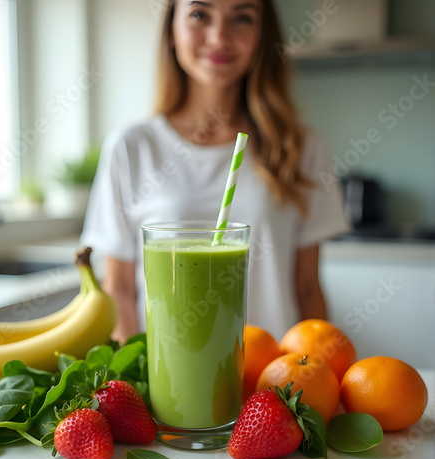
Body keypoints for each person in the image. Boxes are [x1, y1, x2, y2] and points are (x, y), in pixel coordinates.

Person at [80, 0, 350, 345]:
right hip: (170, 385)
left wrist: (314, 374)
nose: (220, 36)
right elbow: (118, 288)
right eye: (199, 14)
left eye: (242, 18)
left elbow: (308, 287)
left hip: (271, 381)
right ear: (171, 32)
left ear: (262, 36)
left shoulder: (300, 147)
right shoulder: (131, 147)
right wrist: (136, 379)